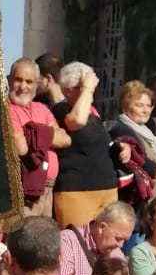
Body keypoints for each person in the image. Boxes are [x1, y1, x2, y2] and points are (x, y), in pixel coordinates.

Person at [48, 63, 118, 229]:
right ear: (68, 91)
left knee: (108, 249)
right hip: (77, 191)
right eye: (85, 87)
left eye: (93, 87)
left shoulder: (93, 114)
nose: (92, 91)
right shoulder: (61, 109)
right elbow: (76, 121)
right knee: (76, 245)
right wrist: (87, 88)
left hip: (107, 187)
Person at [8, 57, 67, 215]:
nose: (23, 86)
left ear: (36, 85)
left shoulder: (42, 109)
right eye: (18, 80)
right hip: (23, 191)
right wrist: (47, 133)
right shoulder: (6, 109)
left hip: (48, 188)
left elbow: (65, 139)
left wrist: (34, 132)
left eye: (29, 82)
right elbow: (21, 148)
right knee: (22, 238)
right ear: (10, 80)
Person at [60, 199, 137, 275]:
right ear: (101, 227)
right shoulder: (68, 241)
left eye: (124, 240)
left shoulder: (117, 254)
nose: (121, 245)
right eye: (117, 238)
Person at [110, 78, 156, 210]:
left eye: (148, 105)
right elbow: (139, 161)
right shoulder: (121, 129)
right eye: (139, 105)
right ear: (125, 106)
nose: (146, 110)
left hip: (153, 197)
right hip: (135, 201)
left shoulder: (147, 131)